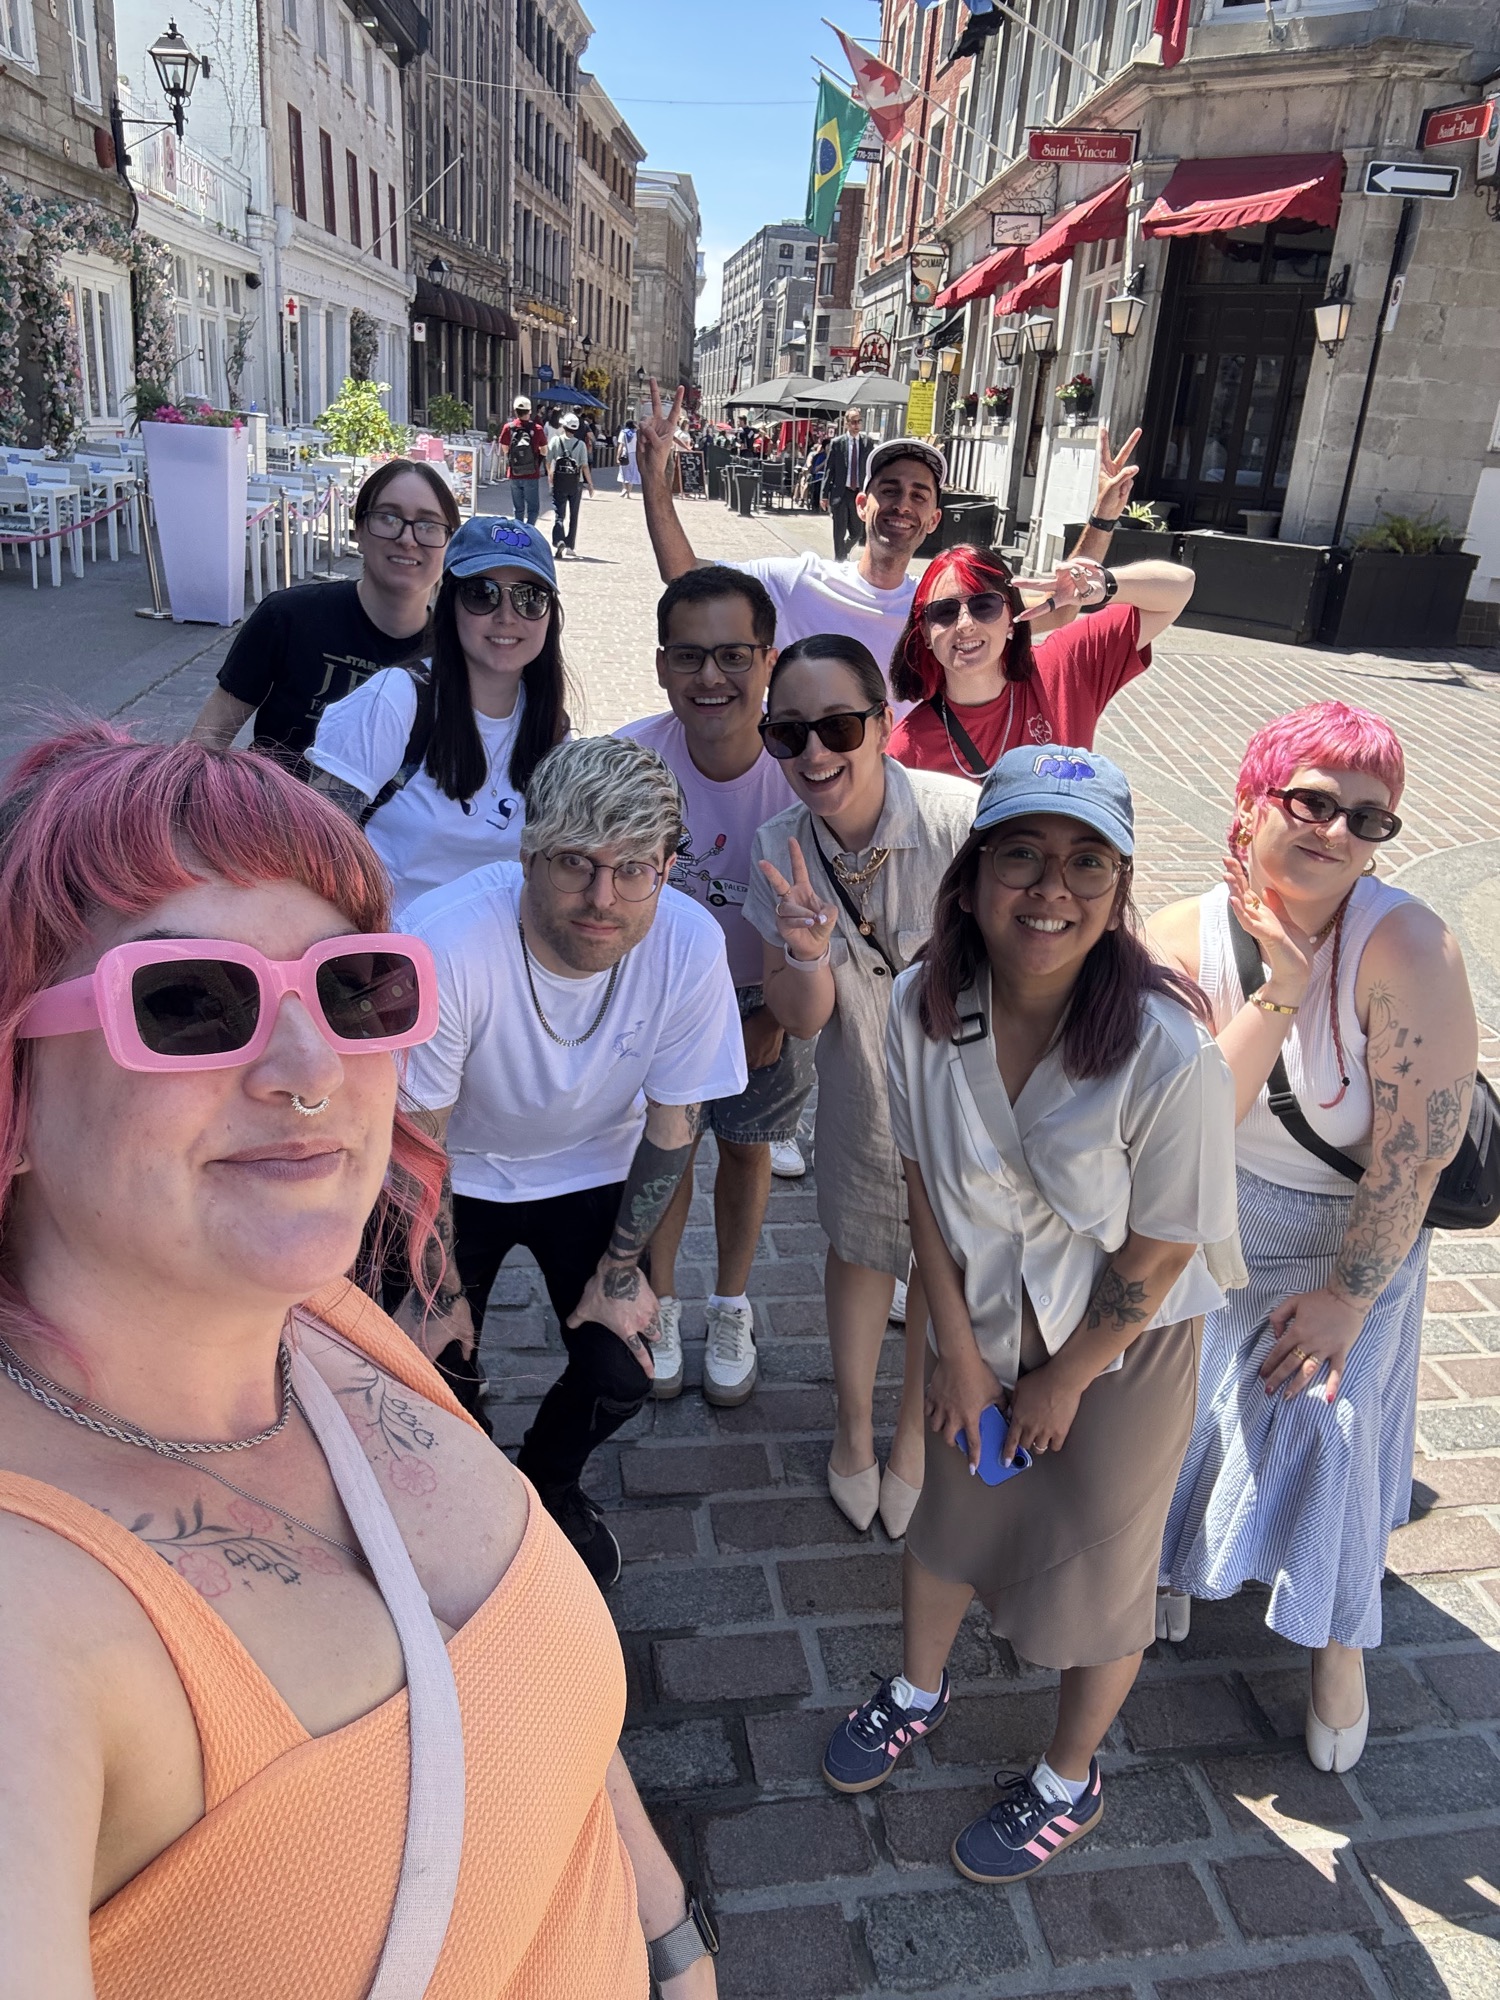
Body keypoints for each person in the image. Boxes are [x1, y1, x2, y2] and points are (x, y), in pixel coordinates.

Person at [0, 723, 721, 1999]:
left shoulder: (324, 1318)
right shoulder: (34, 1617)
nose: (311, 1070)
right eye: (189, 1002)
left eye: (353, 989)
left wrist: (668, 1927)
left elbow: (529, 1683)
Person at [820, 745, 1237, 1888]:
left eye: (1087, 862)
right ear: (971, 877)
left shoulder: (1169, 1049)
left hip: (1123, 1344)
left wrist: (1065, 1377)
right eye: (1022, 855)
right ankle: (917, 1686)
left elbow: (1164, 1245)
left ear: (1118, 889)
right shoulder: (920, 1001)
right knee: (948, 1514)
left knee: (1102, 1554)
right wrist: (953, 1352)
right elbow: (919, 1181)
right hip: (982, 1310)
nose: (1052, 888)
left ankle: (1068, 1776)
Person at [1151, 703, 1478, 1772]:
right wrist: (1280, 986)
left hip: (1354, 1234)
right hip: (1216, 1214)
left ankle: (1340, 1639)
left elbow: (1413, 1156)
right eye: (1313, 801)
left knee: (1326, 1419)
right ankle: (1171, 1557)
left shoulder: (1407, 946)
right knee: (1171, 1397)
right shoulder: (1178, 937)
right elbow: (1184, 1127)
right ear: (1253, 802)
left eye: (1368, 817)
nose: (1338, 830)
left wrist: (1349, 1298)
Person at [397, 735, 746, 1587]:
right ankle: (474, 1488)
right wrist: (438, 1290)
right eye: (575, 863)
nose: (603, 898)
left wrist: (621, 1273)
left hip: (593, 1167)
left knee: (622, 1367)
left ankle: (549, 1484)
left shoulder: (690, 945)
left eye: (634, 870)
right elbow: (417, 1141)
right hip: (456, 1173)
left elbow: (675, 1124)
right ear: (528, 853)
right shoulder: (442, 941)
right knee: (424, 1369)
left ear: (667, 866)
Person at [745, 635, 976, 1539]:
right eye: (788, 734)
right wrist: (806, 952)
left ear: (883, 724)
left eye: (838, 727)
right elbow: (800, 1019)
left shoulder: (961, 824)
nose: (814, 753)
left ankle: (914, 1437)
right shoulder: (777, 845)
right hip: (858, 1082)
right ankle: (851, 1428)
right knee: (858, 1242)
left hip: (963, 1093)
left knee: (940, 1260)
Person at [617, 568, 813, 1408]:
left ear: (769, 660)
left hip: (763, 998)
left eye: (734, 655)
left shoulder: (804, 767)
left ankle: (732, 1303)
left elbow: (833, 899)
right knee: (666, 1151)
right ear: (662, 663)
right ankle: (659, 1300)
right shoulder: (629, 760)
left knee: (746, 1146)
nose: (711, 677)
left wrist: (778, 1013)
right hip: (657, 997)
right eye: (689, 655)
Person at [638, 380, 1141, 683]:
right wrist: (654, 477)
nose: (902, 505)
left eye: (919, 495)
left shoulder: (943, 607)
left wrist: (1102, 518)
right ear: (863, 505)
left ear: (934, 520)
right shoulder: (797, 583)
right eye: (890, 490)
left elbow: (1064, 606)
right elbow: (683, 575)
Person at [305, 518, 571, 913]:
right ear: (450, 604)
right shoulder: (396, 699)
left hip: (494, 946)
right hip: (388, 943)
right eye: (482, 594)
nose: (507, 615)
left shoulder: (550, 728)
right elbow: (310, 850)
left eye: (530, 598)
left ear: (550, 615)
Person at [188, 458, 459, 770]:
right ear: (359, 531)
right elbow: (207, 741)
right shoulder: (289, 617)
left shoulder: (456, 653)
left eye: (428, 524)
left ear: (450, 545)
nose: (407, 539)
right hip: (275, 801)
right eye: (388, 517)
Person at [887, 542, 1196, 777]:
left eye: (985, 605)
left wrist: (1104, 584)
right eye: (944, 611)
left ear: (1011, 618)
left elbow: (1181, 586)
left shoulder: (1065, 666)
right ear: (925, 633)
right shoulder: (907, 750)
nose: (965, 624)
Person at [821, 408, 870, 562]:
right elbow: (829, 470)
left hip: (858, 494)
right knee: (839, 531)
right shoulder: (837, 443)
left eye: (859, 421)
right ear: (847, 424)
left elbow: (871, 468)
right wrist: (824, 495)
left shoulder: (867, 443)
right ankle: (839, 560)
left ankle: (844, 551)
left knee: (857, 533)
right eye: (853, 422)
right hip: (840, 493)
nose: (856, 425)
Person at [549, 412, 596, 556]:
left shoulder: (555, 441)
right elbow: (584, 466)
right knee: (574, 515)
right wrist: (590, 484)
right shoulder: (580, 445)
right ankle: (570, 545)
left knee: (559, 513)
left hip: (559, 482)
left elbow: (548, 460)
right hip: (576, 482)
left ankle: (559, 540)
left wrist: (550, 477)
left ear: (564, 426)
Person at [499, 395, 549, 526]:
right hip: (531, 473)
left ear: (515, 411)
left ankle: (518, 531)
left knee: (518, 509)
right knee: (533, 509)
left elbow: (505, 449)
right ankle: (528, 531)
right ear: (530, 411)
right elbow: (544, 451)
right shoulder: (537, 429)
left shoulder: (508, 428)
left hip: (514, 473)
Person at [618, 419, 641, 497]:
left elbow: (621, 446)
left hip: (625, 454)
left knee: (623, 472)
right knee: (632, 472)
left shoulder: (623, 433)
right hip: (634, 454)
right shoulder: (636, 433)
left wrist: (617, 456)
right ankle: (628, 493)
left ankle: (624, 488)